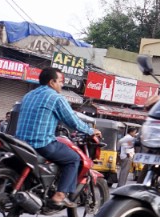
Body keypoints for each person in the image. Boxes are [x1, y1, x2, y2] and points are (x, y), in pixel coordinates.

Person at [14, 68, 102, 208]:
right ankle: (60, 195)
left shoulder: (28, 95)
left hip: (20, 143)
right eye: (61, 81)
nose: (62, 85)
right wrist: (90, 131)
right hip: (41, 144)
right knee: (73, 158)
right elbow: (72, 120)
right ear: (51, 82)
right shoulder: (55, 98)